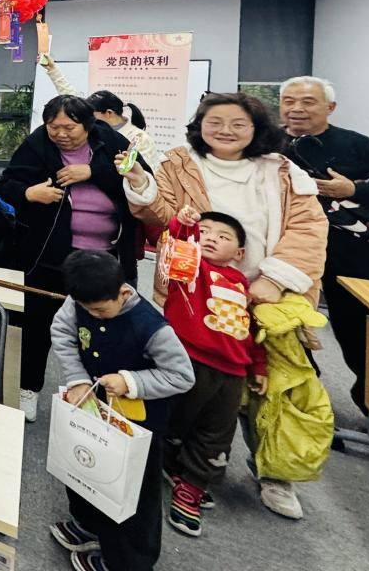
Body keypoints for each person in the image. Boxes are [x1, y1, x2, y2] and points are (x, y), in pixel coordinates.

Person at [120, 91, 327, 519]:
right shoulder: (180, 162)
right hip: (197, 294)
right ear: (200, 126)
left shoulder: (281, 170)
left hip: (271, 298)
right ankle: (186, 462)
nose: (225, 131)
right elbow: (162, 218)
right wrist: (140, 185)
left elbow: (309, 229)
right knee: (197, 384)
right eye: (215, 123)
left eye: (237, 124)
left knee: (276, 386)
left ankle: (275, 473)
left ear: (256, 128)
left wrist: (274, 279)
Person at [49, 249, 195, 571]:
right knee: (85, 466)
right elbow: (61, 332)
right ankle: (89, 525)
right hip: (93, 407)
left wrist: (130, 382)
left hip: (138, 425)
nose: (94, 315)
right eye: (88, 309)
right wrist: (76, 379)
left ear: (124, 293)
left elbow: (182, 376)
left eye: (101, 310)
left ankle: (127, 561)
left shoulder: (151, 327)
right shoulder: (79, 300)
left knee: (132, 494)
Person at [0, 94, 139, 422]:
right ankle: (28, 388)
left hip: (104, 258)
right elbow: (6, 185)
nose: (60, 134)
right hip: (50, 255)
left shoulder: (110, 142)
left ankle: (100, 396)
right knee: (37, 326)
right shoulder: (38, 144)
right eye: (53, 126)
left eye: (69, 127)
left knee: (100, 328)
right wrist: (30, 193)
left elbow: (137, 176)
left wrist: (91, 171)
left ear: (88, 125)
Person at [159, 210, 267, 538]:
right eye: (204, 232)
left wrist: (258, 366)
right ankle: (169, 463)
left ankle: (192, 486)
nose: (211, 238)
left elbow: (249, 329)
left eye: (223, 236)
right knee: (173, 419)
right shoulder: (190, 268)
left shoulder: (242, 284)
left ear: (240, 253)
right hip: (185, 360)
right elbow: (178, 241)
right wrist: (184, 224)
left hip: (231, 372)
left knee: (216, 434)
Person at [280, 75, 369, 414]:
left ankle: (368, 398)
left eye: (308, 102)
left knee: (356, 330)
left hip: (352, 253)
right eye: (289, 101)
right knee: (283, 327)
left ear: (330, 107)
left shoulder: (359, 146)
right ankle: (298, 405)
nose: (297, 108)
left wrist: (354, 190)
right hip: (289, 252)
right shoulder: (267, 144)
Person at [40, 54, 162, 168]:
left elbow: (146, 173)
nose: (85, 117)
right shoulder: (94, 128)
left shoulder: (139, 139)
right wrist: (52, 70)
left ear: (109, 113)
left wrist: (93, 171)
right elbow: (70, 96)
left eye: (91, 114)